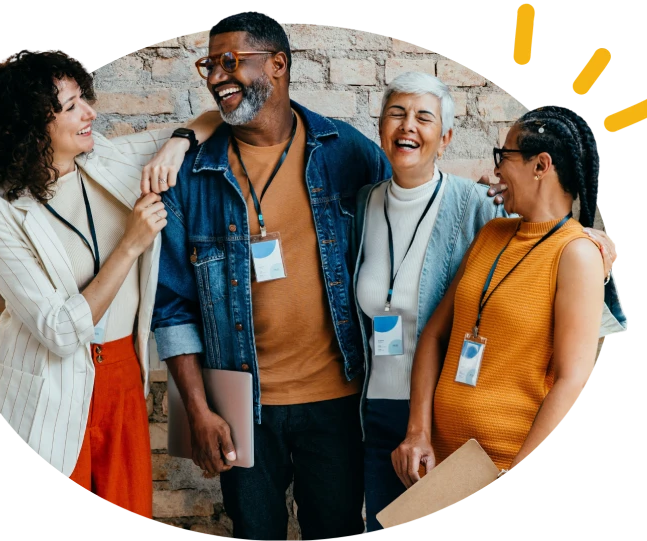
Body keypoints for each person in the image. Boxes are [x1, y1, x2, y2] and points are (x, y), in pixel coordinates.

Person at [150, 12, 505, 540]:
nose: (217, 75)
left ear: (277, 64)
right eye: (210, 64)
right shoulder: (194, 174)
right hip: (240, 403)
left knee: (336, 528)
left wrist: (497, 193)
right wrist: (198, 411)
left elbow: (412, 189)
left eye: (231, 61)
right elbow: (173, 306)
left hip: (340, 403)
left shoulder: (344, 152)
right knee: (254, 531)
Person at [351, 73, 626, 533]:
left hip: (500, 462)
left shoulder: (576, 254)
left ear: (541, 166)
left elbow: (571, 382)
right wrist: (419, 430)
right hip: (442, 462)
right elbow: (435, 335)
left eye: (505, 157)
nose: (495, 169)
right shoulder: (492, 232)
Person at [0, 48, 222, 519]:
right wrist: (131, 245)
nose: (90, 113)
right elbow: (59, 331)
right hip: (47, 388)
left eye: (84, 98)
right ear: (32, 127)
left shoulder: (108, 159)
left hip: (121, 373)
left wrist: (177, 143)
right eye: (72, 106)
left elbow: (214, 118)